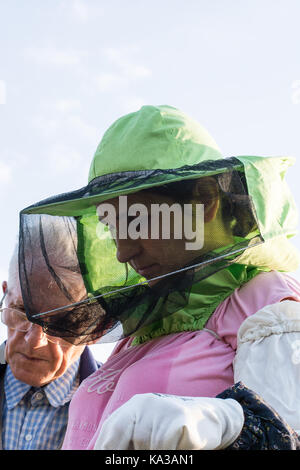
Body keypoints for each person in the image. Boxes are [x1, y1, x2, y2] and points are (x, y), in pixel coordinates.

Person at [19, 105, 300, 450]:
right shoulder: (148, 321)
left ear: (206, 200)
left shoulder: (269, 303)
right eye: (113, 227)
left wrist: (229, 424)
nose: (123, 251)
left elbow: (289, 432)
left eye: (136, 221)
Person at [0, 216, 100, 450]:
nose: (34, 341)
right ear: (5, 293)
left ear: (96, 326)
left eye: (59, 322)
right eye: (22, 310)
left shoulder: (117, 408)